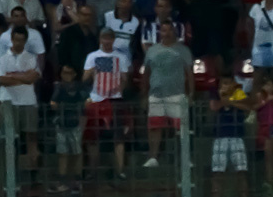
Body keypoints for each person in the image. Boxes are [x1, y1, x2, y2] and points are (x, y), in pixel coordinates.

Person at [142, 21, 193, 168]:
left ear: (174, 32)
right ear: (160, 33)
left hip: (177, 94)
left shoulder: (183, 50)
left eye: (170, 30)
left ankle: (185, 157)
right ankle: (153, 157)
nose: (167, 33)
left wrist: (191, 94)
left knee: (182, 127)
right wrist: (144, 95)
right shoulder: (152, 51)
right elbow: (146, 73)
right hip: (156, 94)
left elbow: (189, 73)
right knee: (154, 127)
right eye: (164, 30)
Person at [82, 27, 131, 179]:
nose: (107, 41)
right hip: (96, 99)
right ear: (100, 39)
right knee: (92, 137)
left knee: (119, 137)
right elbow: (84, 79)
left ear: (113, 39)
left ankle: (120, 170)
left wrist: (118, 91)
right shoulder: (92, 56)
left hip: (115, 99)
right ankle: (93, 170)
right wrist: (91, 73)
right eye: (104, 38)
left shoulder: (121, 57)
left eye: (110, 38)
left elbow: (125, 79)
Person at [0, 27, 42, 169]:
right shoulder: (3, 59)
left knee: (31, 138)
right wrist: (23, 77)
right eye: (16, 39)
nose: (19, 42)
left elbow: (33, 78)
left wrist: (12, 76)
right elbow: (1, 80)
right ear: (12, 39)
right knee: (10, 139)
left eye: (22, 40)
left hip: (28, 101)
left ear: (25, 40)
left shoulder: (31, 57)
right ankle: (10, 175)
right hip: (9, 102)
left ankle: (33, 174)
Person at [208, 75, 252, 197]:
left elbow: (247, 107)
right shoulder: (215, 93)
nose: (226, 85)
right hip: (220, 138)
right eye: (224, 83)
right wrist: (224, 100)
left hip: (237, 137)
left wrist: (231, 101)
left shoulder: (238, 92)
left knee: (241, 172)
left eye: (229, 83)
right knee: (217, 173)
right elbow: (213, 106)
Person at [50, 65, 88, 192]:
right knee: (62, 153)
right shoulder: (59, 86)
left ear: (74, 74)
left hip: (75, 123)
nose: (66, 75)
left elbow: (86, 101)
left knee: (77, 153)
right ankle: (62, 181)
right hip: (61, 123)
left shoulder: (79, 87)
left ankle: (77, 181)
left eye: (69, 73)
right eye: (64, 73)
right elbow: (53, 102)